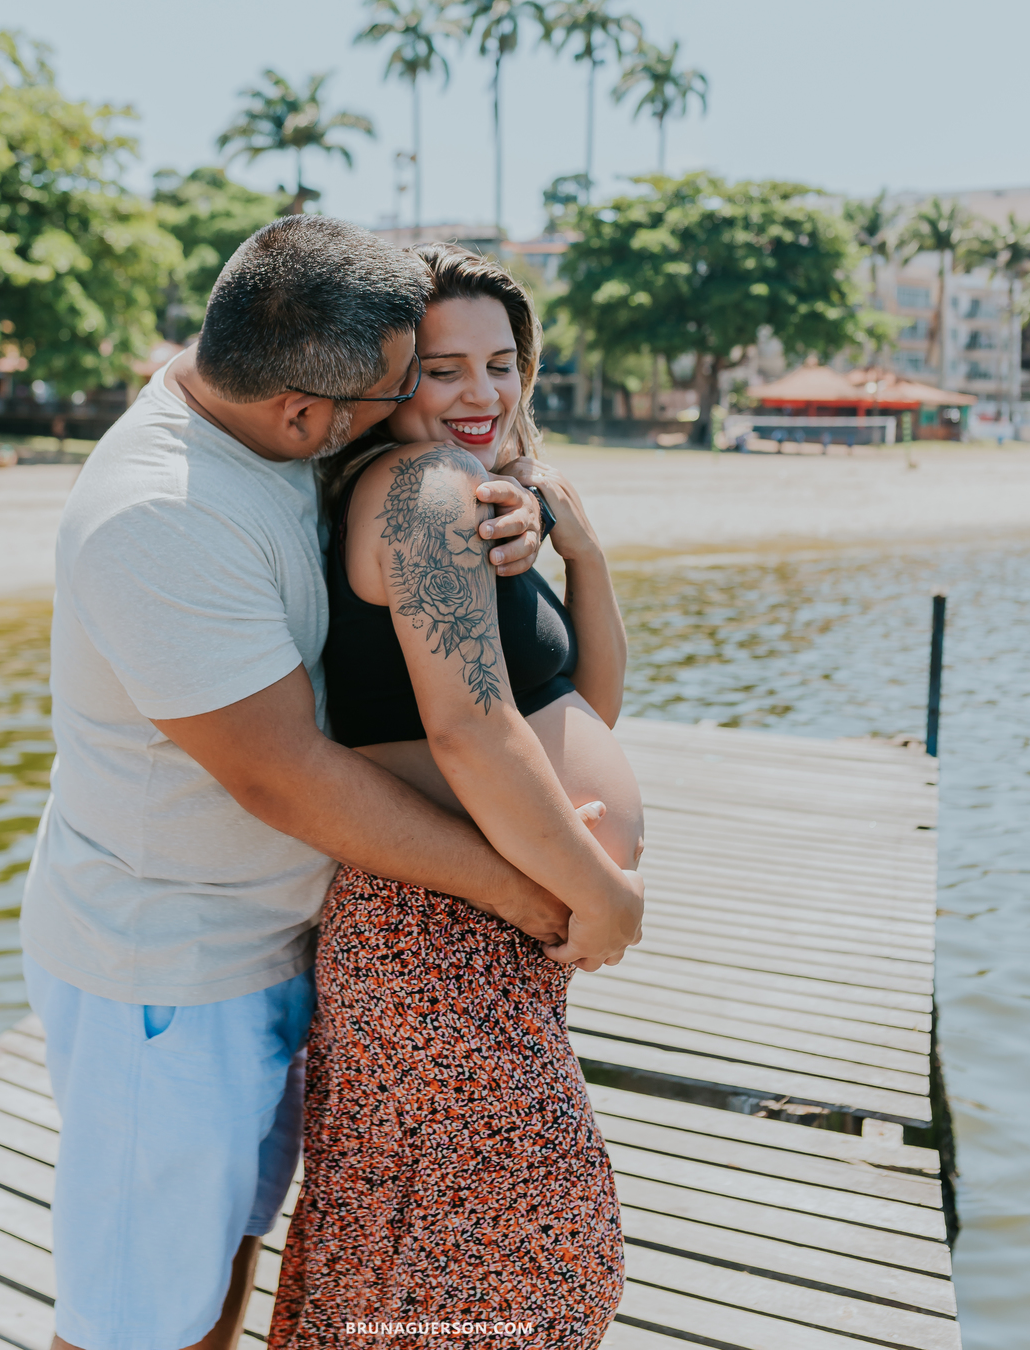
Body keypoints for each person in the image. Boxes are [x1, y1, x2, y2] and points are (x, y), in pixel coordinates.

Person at [20, 216, 644, 1350]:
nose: (457, 395)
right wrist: (547, 889)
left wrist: (546, 521)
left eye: (494, 366)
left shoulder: (273, 439)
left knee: (228, 1269)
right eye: (411, 381)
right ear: (309, 411)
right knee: (133, 1315)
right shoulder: (165, 510)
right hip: (169, 967)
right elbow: (286, 773)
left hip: (273, 937)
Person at [270, 245, 644, 1347]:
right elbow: (468, 731)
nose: (481, 393)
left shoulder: (480, 496)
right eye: (442, 369)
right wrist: (604, 896)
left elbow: (585, 707)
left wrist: (583, 552)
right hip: (436, 932)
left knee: (423, 1271)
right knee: (533, 1263)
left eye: (501, 362)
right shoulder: (421, 493)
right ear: (387, 379)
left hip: (476, 931)